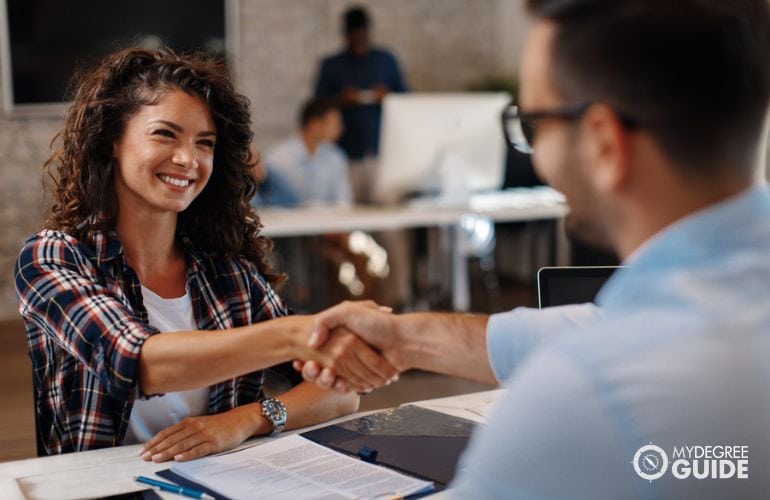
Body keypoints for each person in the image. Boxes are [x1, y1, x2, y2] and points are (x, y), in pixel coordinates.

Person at [298, 0, 770, 497]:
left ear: (604, 144)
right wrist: (399, 338)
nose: (535, 153)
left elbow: (591, 355)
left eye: (533, 126)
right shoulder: (710, 309)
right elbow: (581, 327)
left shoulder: (582, 396)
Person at [14, 47, 397, 459]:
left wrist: (247, 419)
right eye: (165, 133)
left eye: (205, 142)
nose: (188, 159)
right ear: (112, 140)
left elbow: (340, 392)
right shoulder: (52, 257)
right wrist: (297, 336)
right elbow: (139, 364)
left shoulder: (228, 274)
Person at [314, 5, 407, 165]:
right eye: (354, 38)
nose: (358, 42)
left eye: (362, 37)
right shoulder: (331, 65)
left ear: (368, 33)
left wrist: (388, 96)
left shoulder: (386, 60)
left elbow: (407, 99)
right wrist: (340, 100)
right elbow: (316, 106)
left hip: (383, 150)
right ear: (345, 35)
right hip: (344, 153)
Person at [257, 98, 352, 207]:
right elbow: (270, 202)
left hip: (328, 222)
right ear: (315, 125)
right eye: (335, 124)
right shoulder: (278, 159)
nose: (340, 130)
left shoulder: (336, 157)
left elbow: (343, 202)